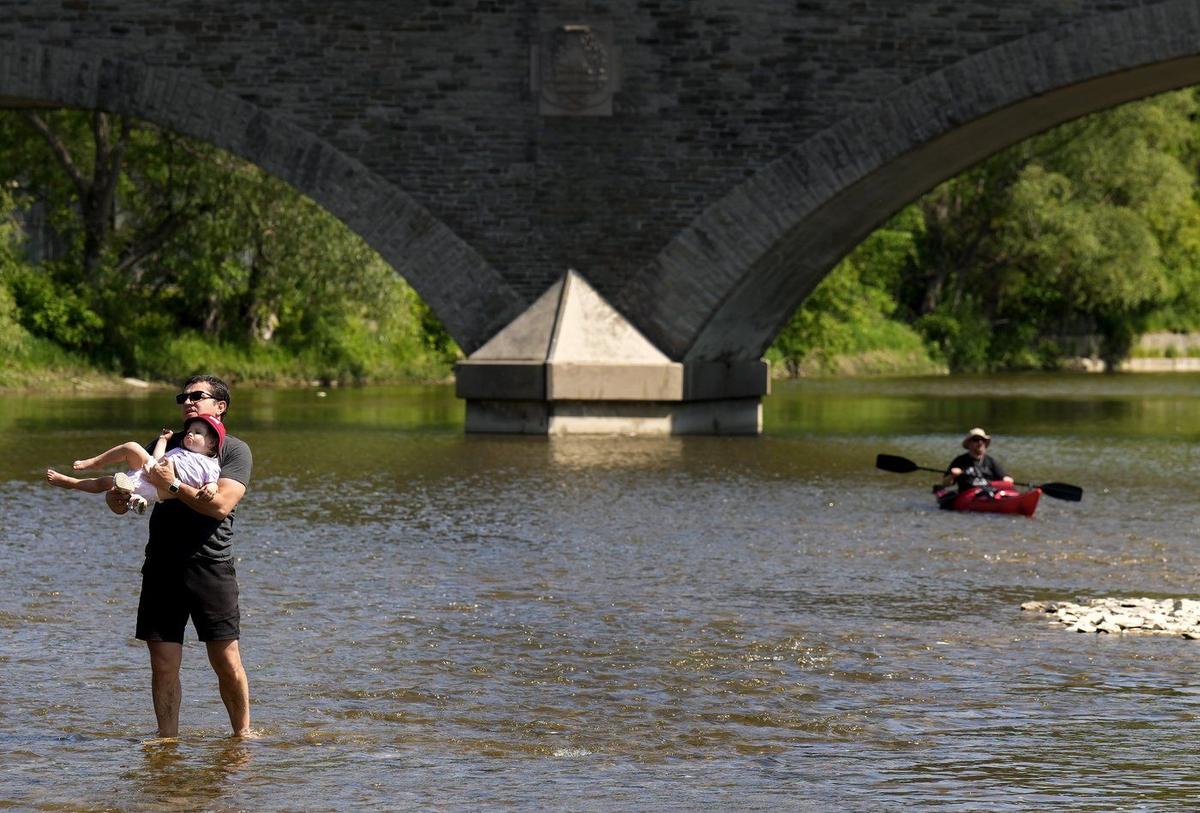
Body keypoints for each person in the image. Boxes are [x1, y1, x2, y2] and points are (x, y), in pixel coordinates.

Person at [106, 374, 254, 739]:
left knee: (226, 660)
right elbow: (121, 502)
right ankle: (167, 742)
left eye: (197, 396)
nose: (188, 402)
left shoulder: (234, 451)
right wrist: (118, 497)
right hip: (162, 565)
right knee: (163, 664)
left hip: (210, 564)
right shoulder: (163, 445)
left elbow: (219, 506)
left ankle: (242, 737)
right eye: (183, 397)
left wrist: (172, 484)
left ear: (220, 406)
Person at [45, 417, 225, 515]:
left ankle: (71, 483)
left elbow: (212, 482)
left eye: (197, 433)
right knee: (132, 447)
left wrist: (211, 487)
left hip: (155, 487)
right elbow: (157, 458)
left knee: (106, 483)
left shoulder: (210, 464)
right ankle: (95, 462)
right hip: (152, 468)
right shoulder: (179, 450)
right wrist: (163, 440)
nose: (190, 434)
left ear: (211, 443)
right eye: (189, 431)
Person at [942, 427, 1014, 492]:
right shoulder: (960, 461)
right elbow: (945, 483)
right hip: (968, 495)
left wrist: (1007, 480)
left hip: (989, 493)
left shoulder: (991, 461)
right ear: (969, 443)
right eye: (976, 440)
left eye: (983, 440)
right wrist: (952, 475)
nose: (980, 442)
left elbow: (1007, 479)